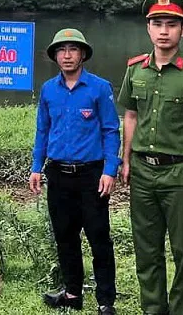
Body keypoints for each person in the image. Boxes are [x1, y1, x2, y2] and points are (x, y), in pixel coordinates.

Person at [118, 0, 183, 315]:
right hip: (142, 173)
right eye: (157, 24)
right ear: (148, 28)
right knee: (146, 251)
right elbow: (131, 116)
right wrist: (125, 160)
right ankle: (153, 310)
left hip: (180, 175)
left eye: (171, 24)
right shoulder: (135, 70)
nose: (164, 31)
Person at [30, 28, 121, 315]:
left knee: (98, 237)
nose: (67, 55)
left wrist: (110, 170)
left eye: (73, 49)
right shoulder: (49, 89)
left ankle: (105, 301)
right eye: (61, 50)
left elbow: (111, 130)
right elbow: (43, 130)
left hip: (91, 175)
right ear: (55, 56)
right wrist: (36, 167)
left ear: (82, 54)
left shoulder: (99, 88)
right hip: (58, 174)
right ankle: (72, 293)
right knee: (65, 236)